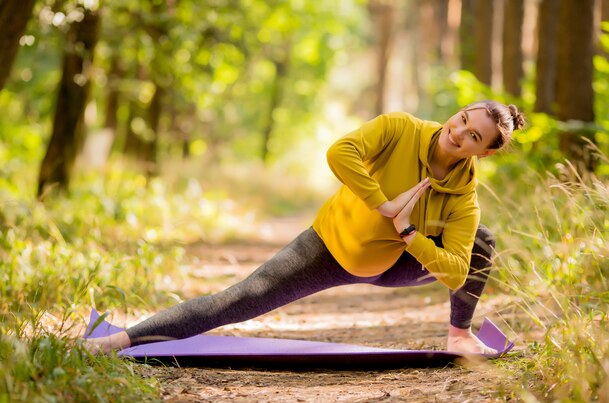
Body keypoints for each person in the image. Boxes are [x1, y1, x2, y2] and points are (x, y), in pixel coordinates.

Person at [85, 100, 525, 355]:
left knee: (483, 242)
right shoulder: (400, 128)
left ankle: (458, 337)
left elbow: (454, 271)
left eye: (474, 136)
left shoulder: (464, 196)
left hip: (394, 262)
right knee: (238, 299)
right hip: (329, 248)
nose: (459, 131)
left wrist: (409, 232)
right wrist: (384, 204)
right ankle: (117, 341)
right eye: (463, 119)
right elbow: (340, 152)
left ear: (482, 153)